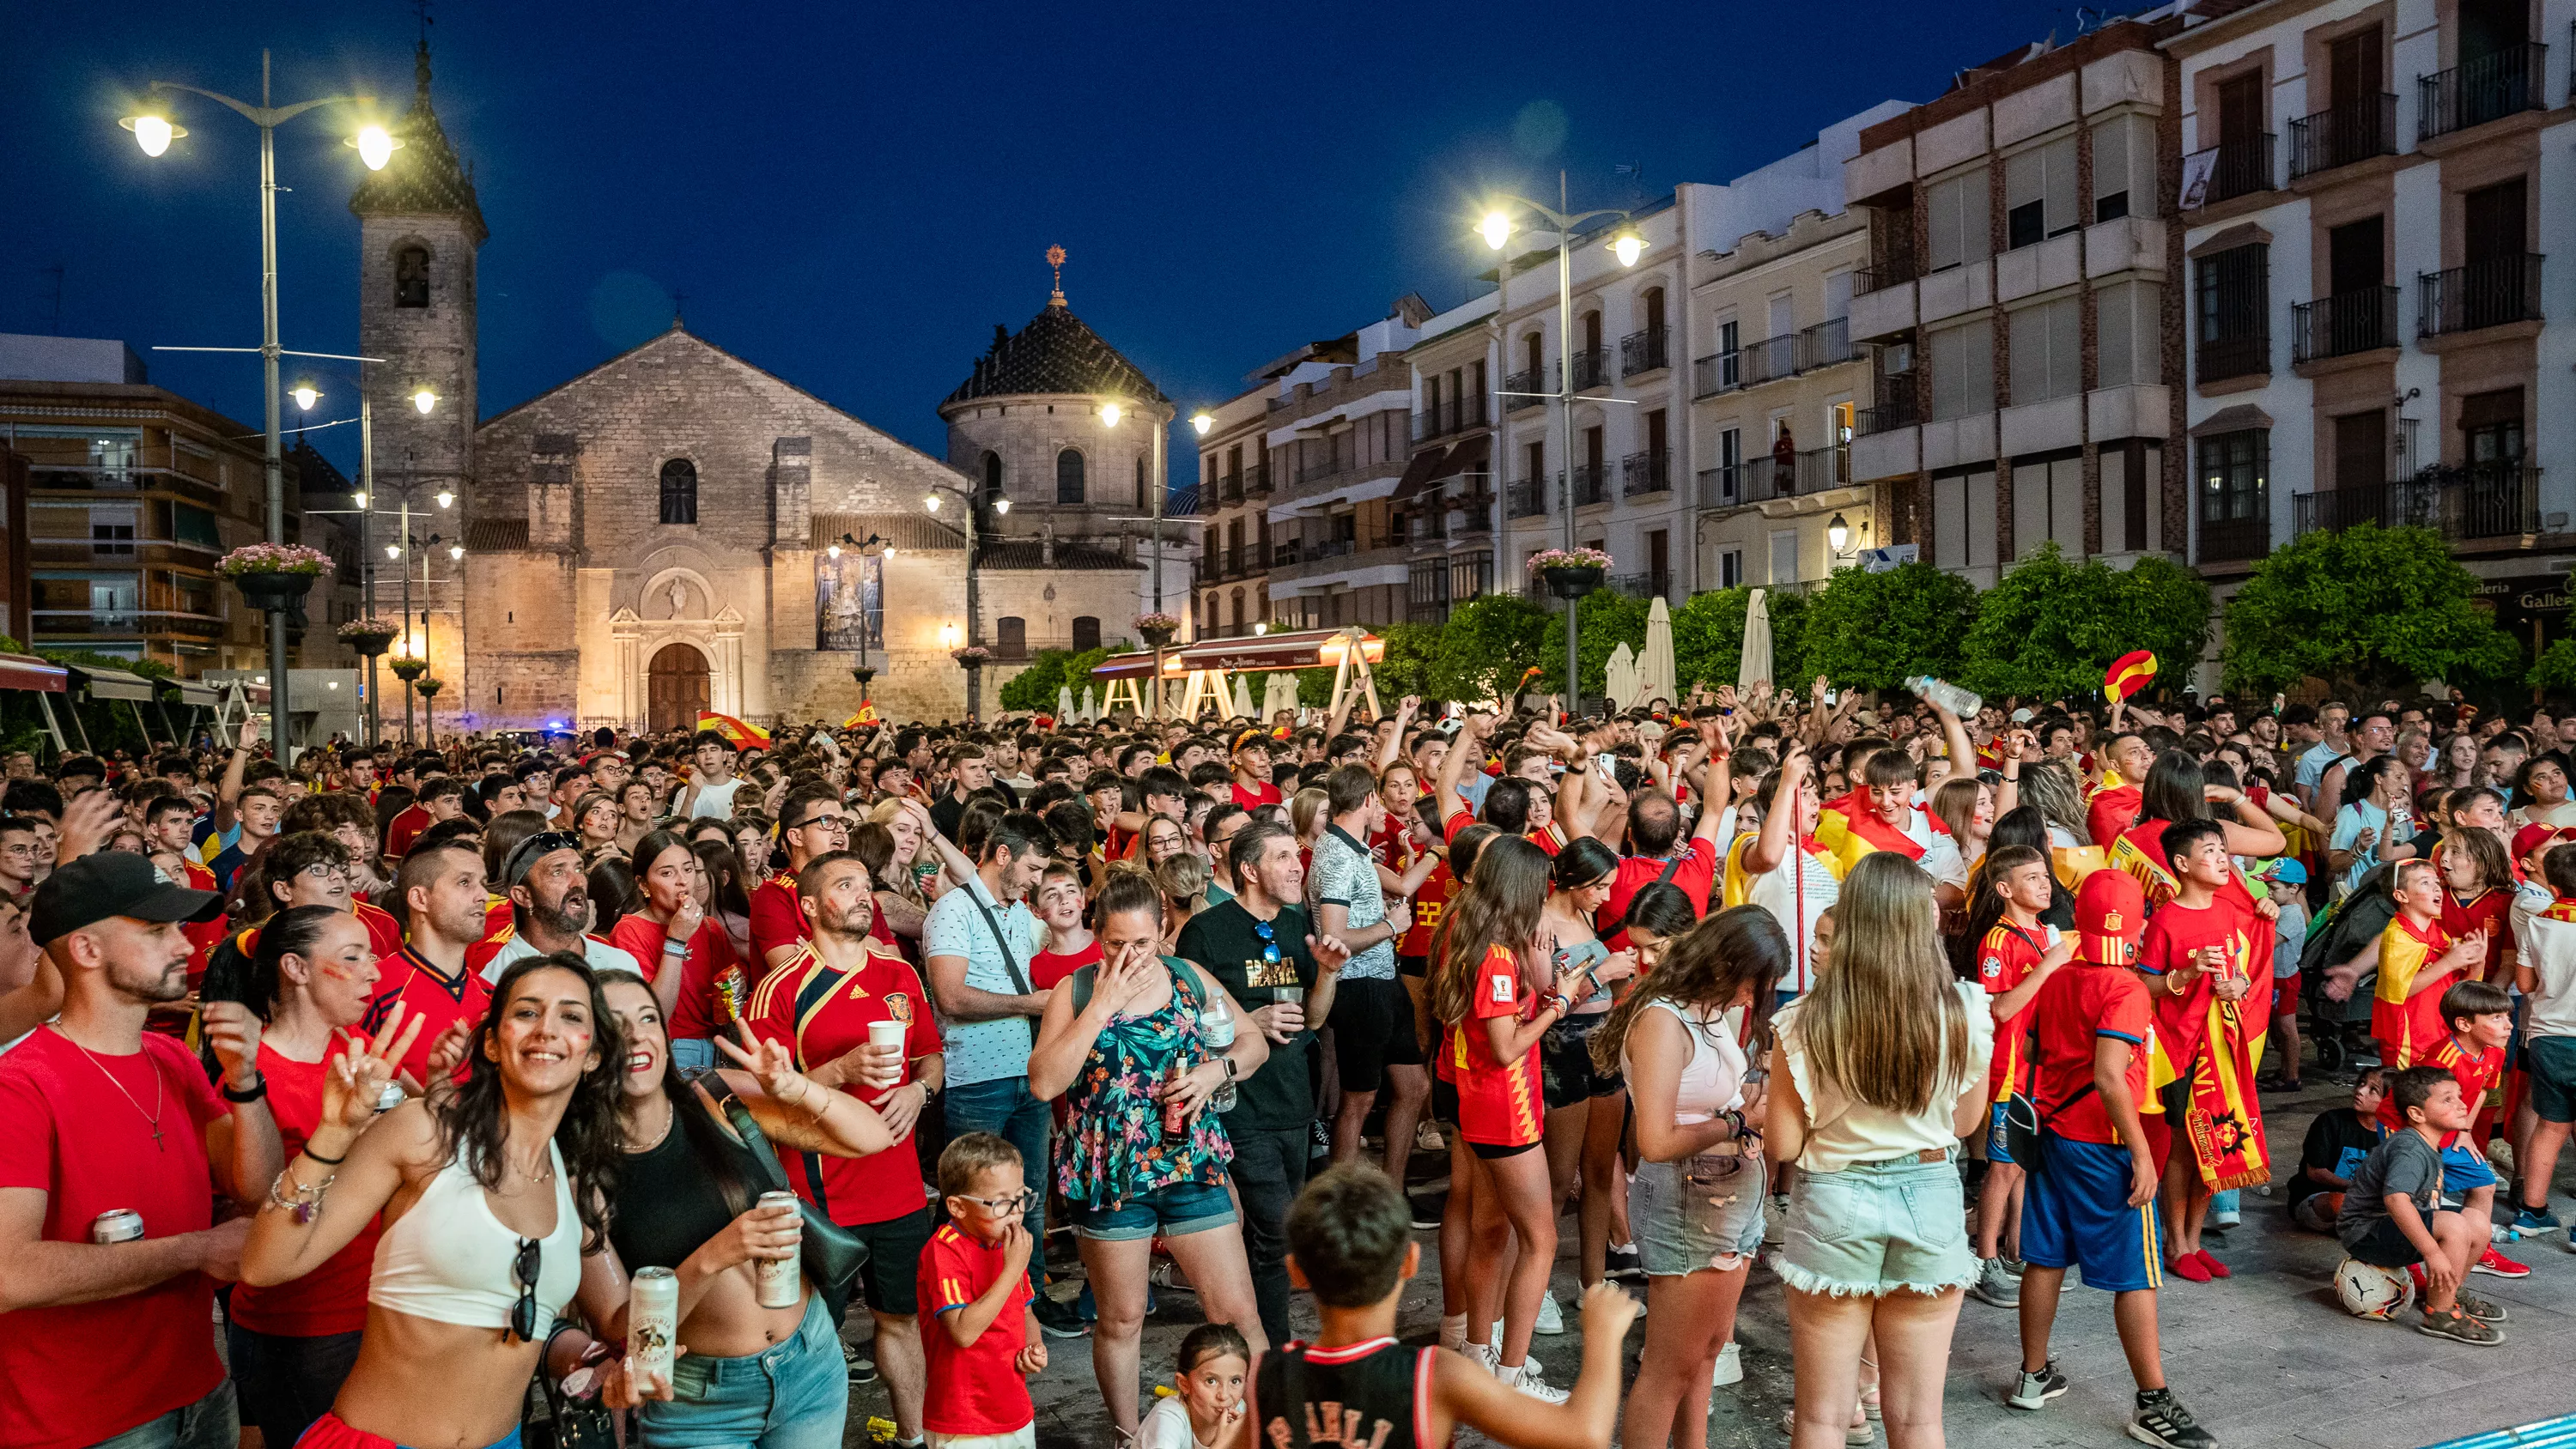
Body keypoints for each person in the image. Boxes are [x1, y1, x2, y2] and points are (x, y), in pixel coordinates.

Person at [240, 953, 623, 1449]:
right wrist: (334, 1133)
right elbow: (264, 1265)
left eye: (571, 1016)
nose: (547, 1029)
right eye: (527, 1012)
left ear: (592, 1054)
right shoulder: (423, 1133)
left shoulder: (568, 1177)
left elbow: (619, 1314)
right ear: (491, 1041)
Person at [0, 852, 269, 1449]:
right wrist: (198, 1250)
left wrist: (247, 1080)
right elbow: (7, 1273)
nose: (184, 946)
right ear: (87, 951)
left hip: (197, 1390)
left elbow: (254, 1187)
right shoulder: (19, 1085)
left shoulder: (172, 1059)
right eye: (155, 931)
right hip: (80, 1422)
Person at [593, 968, 896, 1446]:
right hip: (698, 1402)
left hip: (810, 1362)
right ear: (587, 1048)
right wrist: (718, 1253)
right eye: (613, 1024)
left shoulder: (716, 1095)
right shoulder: (581, 1167)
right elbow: (619, 1325)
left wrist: (795, 1088)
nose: (635, 1035)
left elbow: (873, 1137)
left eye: (648, 1018)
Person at [1028, 869, 1272, 1435]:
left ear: (1163, 928)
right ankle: (1128, 1434)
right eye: (1116, 943)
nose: (1130, 955)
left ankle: (1255, 1429)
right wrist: (1100, 1006)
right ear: (1098, 935)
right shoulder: (1079, 989)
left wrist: (1219, 1067)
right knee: (1121, 1315)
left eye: (1142, 942)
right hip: (1110, 1176)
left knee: (1237, 1313)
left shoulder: (1189, 978)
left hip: (1188, 1162)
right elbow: (1044, 1083)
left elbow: (1253, 1041)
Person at [1766, 852, 1990, 1449]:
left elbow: (1784, 1144)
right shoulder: (1967, 1011)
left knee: (1821, 1418)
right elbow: (1967, 1122)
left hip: (1834, 1198)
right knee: (1918, 1421)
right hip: (1932, 1195)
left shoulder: (1803, 1020)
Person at [2008, 871, 2216, 1449]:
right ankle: (2152, 1402)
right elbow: (2108, 1074)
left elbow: (2033, 1050)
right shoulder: (2125, 989)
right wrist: (2144, 1154)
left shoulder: (2060, 977)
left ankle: (2033, 1376)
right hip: (2102, 1145)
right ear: (2134, 925)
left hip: (2052, 1136)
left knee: (2045, 1257)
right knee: (2138, 1274)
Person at [746, 849, 949, 1439]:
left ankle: (913, 1437)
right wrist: (841, 1069)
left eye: (866, 884)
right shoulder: (779, 989)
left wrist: (919, 1091)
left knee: (902, 1319)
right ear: (808, 906)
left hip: (899, 1186)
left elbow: (931, 1056)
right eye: (844, 885)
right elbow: (765, 1102)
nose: (863, 895)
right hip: (817, 1191)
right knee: (809, 1336)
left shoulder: (899, 974)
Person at [1249, 1164, 1637, 1449]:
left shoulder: (1261, 1378)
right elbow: (1583, 1434)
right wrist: (1603, 1339)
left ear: (1295, 1273)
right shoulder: (1434, 1376)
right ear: (1411, 1263)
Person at [1589, 905, 1784, 1449]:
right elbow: (1655, 1140)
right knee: (1668, 1368)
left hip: (1730, 1192)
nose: (1754, 997)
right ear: (1725, 964)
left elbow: (1701, 1100)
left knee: (1706, 1353)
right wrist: (1738, 1120)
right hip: (1687, 1198)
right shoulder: (1661, 1020)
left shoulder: (1707, 1009)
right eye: (1754, 983)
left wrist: (1737, 1106)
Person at [1175, 818, 1350, 1350]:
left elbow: (1314, 1020)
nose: (1297, 865)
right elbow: (1186, 1024)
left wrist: (1327, 973)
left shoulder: (1298, 924)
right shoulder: (1207, 932)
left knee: (1277, 1234)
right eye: (1281, 857)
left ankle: (1252, 1338)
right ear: (1249, 869)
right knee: (1274, 1234)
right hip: (1240, 1105)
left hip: (1293, 1101)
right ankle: (1270, 1352)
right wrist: (1252, 1020)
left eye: (1296, 855)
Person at [221, 906, 392, 1448]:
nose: (374, 971)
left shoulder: (355, 1049)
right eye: (352, 957)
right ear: (295, 968)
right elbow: (259, 1195)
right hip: (303, 1329)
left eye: (370, 954)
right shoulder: (249, 1071)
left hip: (373, 1307)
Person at [1431, 834, 1589, 1401]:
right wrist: (1561, 1006)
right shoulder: (1496, 958)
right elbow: (1505, 1046)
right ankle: (1512, 1378)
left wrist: (1548, 978)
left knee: (1492, 1232)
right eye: (1543, 882)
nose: (1549, 891)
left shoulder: (1490, 940)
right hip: (1505, 1112)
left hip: (1484, 1105)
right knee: (1540, 1241)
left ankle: (1478, 1350)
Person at [924, 809, 1086, 1338]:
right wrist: (1030, 1004)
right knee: (975, 1203)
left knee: (1029, 1201)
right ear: (1002, 856)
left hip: (1029, 1074)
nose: (1038, 882)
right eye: (1034, 869)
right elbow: (950, 996)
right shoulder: (952, 912)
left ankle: (1026, 1309)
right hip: (976, 1078)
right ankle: (966, 1309)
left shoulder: (1018, 913)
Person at [2134, 819, 2267, 1282]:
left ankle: (2194, 1237)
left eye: (2223, 850)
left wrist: (2239, 982)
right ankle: (2175, 1242)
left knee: (2219, 1137)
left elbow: (2243, 968)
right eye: (2209, 851)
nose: (2222, 858)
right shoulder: (2168, 918)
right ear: (2183, 864)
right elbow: (2142, 983)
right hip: (2180, 1046)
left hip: (2223, 1043)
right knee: (2183, 1145)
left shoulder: (2228, 912)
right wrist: (2186, 975)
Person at [1959, 844, 2071, 1307]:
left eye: (2045, 876)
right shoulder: (1998, 940)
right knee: (2003, 1167)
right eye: (2032, 878)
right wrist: (2049, 965)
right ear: (2005, 889)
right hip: (2008, 1068)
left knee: (2023, 1164)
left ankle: (2015, 1250)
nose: (2044, 884)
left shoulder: (2043, 934)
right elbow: (2000, 1007)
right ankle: (1984, 1261)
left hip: (2037, 1067)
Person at [1535, 836, 1639, 1313]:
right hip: (1561, 1048)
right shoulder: (1539, 922)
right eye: (1598, 887)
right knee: (1559, 1179)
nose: (1605, 897)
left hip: (1602, 1041)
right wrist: (1602, 973)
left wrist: (1621, 978)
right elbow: (1541, 1002)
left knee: (1600, 1171)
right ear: (1572, 881)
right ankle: (1535, 1291)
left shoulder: (1584, 915)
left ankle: (1591, 1284)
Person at [2336, 1067, 2507, 1345]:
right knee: (2454, 1225)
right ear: (2417, 1114)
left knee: (2476, 1221)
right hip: (2366, 1232)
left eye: (2459, 1097)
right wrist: (2432, 1251)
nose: (2462, 1104)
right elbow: (2396, 1199)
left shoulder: (2429, 1143)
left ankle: (2449, 1293)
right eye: (2447, 1099)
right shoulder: (2409, 1149)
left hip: (2391, 1226)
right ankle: (2440, 1314)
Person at [1309, 765, 1420, 1177]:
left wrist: (1383, 921)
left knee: (1414, 1088)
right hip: (1359, 987)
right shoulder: (1337, 856)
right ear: (1370, 800)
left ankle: (1392, 1193)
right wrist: (1391, 926)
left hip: (1383, 979)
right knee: (1358, 1100)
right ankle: (1341, 1206)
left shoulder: (1353, 847)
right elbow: (1334, 939)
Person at [920, 1132, 1048, 1449]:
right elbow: (962, 1332)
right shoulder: (944, 1251)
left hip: (1012, 1404)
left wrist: (1034, 1346)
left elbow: (1026, 1310)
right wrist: (1012, 1269)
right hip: (964, 1415)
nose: (1017, 1212)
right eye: (1003, 1203)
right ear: (957, 1207)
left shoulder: (1007, 1245)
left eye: (1021, 1198)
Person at [610, 828, 744, 1071]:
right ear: (643, 884)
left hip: (718, 1046)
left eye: (689, 869)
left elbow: (731, 994)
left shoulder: (709, 927)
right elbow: (656, 1014)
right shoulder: (629, 931)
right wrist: (676, 940)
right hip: (670, 1048)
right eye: (667, 873)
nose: (683, 880)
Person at [752, 785, 851, 973]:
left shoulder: (858, 889)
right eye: (827, 821)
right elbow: (794, 974)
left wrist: (818, 951)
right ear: (796, 837)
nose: (840, 830)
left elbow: (889, 961)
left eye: (843, 822)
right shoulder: (774, 895)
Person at [2287, 1067, 2387, 1231]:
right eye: (2361, 1083)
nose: (2360, 1091)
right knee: (2338, 1203)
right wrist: (2356, 1188)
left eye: (2373, 1090)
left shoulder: (2395, 1135)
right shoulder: (2331, 1121)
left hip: (2371, 1203)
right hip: (2320, 1199)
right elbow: (2315, 1172)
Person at [682, 728, 747, 819]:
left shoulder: (745, 789)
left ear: (724, 755)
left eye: (713, 749)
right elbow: (677, 831)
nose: (708, 756)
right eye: (702, 751)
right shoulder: (685, 793)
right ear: (696, 759)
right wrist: (690, 797)